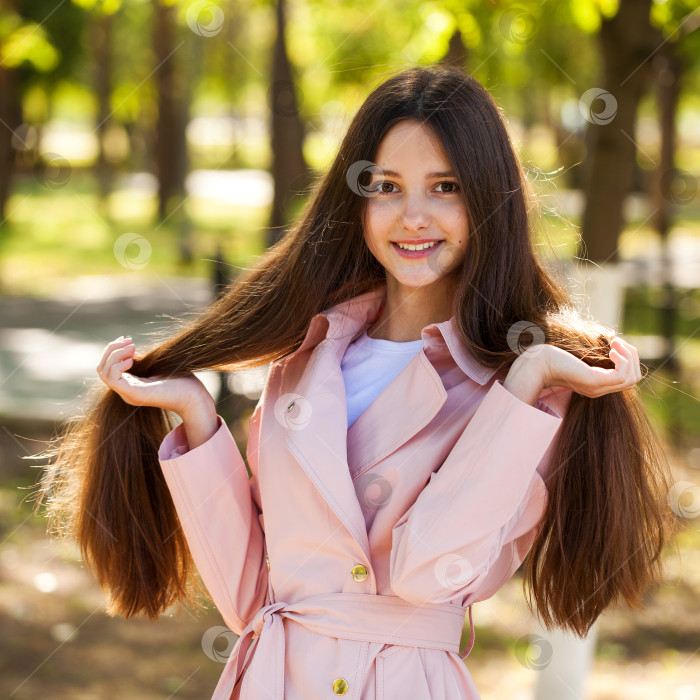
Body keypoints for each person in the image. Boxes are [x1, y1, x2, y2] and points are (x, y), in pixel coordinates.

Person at [35, 65, 678, 700]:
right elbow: (254, 600)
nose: (413, 217)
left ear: (488, 199)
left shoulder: (521, 397)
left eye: (446, 187)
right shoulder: (308, 360)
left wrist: (528, 377)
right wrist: (196, 419)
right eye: (387, 186)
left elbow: (428, 575)